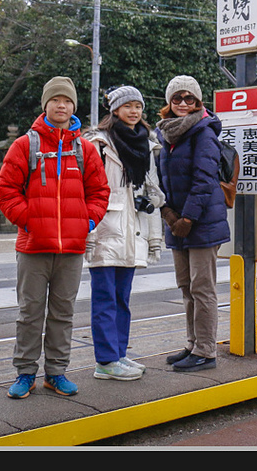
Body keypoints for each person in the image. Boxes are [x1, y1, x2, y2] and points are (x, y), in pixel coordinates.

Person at [0, 76, 110, 399]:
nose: (62, 106)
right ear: (45, 105)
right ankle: (25, 372)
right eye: (55, 100)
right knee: (30, 312)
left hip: (71, 248)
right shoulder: (25, 145)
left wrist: (86, 222)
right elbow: (5, 191)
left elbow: (100, 192)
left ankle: (56, 372)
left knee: (63, 312)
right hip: (33, 246)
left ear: (74, 106)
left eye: (68, 101)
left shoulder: (84, 149)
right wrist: (30, 221)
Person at [83, 86, 165, 381]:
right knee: (105, 297)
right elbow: (90, 188)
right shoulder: (99, 143)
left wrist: (154, 200)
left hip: (133, 228)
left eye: (138, 107)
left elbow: (152, 186)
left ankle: (118, 353)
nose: (134, 111)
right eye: (128, 106)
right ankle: (105, 360)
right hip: (106, 227)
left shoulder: (146, 142)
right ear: (115, 110)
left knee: (123, 297)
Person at [154, 75, 230, 372]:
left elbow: (204, 180)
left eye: (189, 99)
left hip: (202, 222)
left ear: (198, 102)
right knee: (186, 287)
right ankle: (192, 344)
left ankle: (206, 351)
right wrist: (170, 215)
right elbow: (162, 180)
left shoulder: (204, 132)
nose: (183, 104)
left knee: (202, 288)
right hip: (177, 222)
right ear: (169, 103)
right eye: (177, 99)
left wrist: (187, 218)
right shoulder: (166, 135)